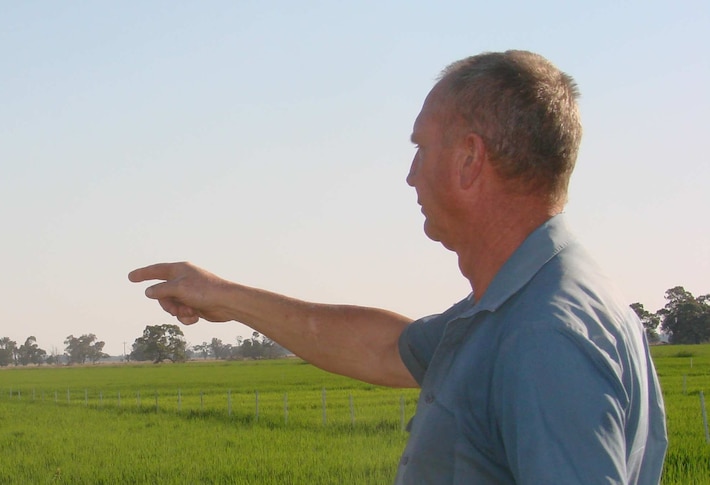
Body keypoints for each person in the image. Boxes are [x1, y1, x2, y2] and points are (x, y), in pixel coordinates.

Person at [128, 50, 668, 484]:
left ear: (468, 160)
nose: (411, 176)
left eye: (421, 148)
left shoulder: (544, 333)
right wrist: (222, 295)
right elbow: (383, 348)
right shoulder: (514, 306)